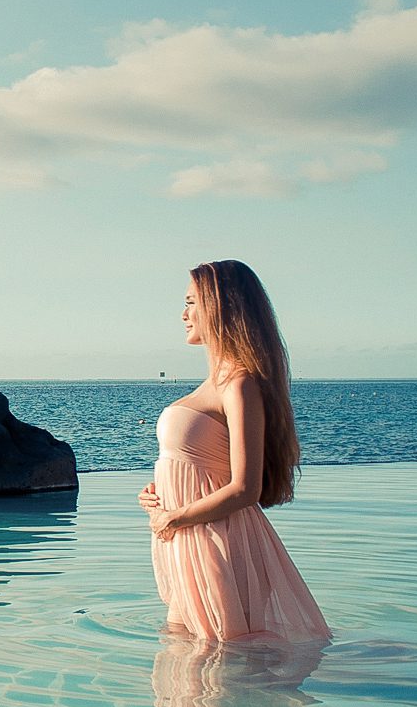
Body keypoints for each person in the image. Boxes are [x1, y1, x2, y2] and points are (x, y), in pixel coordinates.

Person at [137, 260, 329, 642]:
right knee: (184, 668)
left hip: (223, 546)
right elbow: (200, 465)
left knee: (228, 670)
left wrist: (175, 517)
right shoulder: (215, 384)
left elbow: (245, 487)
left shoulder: (239, 384)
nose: (183, 314)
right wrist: (159, 492)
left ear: (222, 306)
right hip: (192, 543)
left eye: (192, 302)